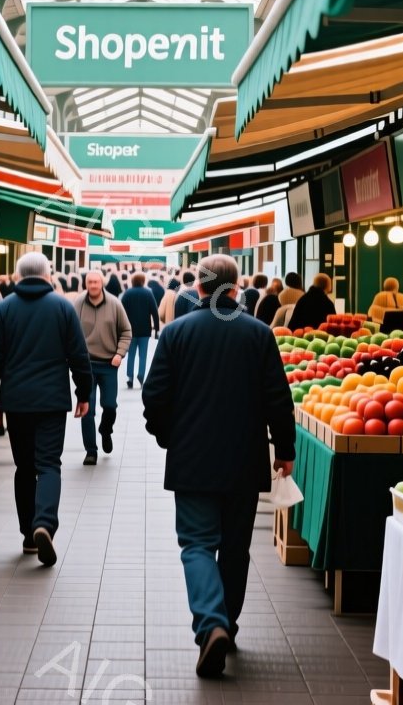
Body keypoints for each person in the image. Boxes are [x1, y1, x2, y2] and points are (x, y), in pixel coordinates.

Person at [143, 255, 296, 678]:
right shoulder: (258, 334)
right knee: (234, 547)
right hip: (244, 461)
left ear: (200, 287)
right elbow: (277, 399)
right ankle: (226, 622)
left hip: (192, 461)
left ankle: (211, 624)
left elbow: (154, 397)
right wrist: (285, 448)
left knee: (195, 544)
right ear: (235, 288)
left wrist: (167, 436)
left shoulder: (176, 333)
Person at [0, 252, 93, 565]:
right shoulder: (62, 307)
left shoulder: (4, 308)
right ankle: (44, 522)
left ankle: (29, 536)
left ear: (18, 276)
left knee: (24, 467)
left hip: (16, 402)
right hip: (52, 401)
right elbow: (79, 356)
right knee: (48, 465)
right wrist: (83, 393)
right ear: (48, 275)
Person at [73, 271, 132, 465]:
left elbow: (126, 331)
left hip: (108, 364)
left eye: (96, 282)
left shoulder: (115, 304)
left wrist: (119, 354)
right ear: (86, 283)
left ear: (102, 283)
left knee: (110, 405)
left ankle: (106, 430)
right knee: (87, 410)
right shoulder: (78, 303)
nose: (93, 285)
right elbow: (70, 332)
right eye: (90, 282)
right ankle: (91, 450)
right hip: (86, 366)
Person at [122, 273, 161, 389]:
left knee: (131, 354)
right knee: (143, 355)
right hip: (145, 330)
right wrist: (157, 329)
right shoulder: (148, 293)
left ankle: (130, 377)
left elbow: (121, 312)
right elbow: (154, 312)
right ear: (143, 281)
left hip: (130, 330)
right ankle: (141, 375)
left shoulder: (127, 293)